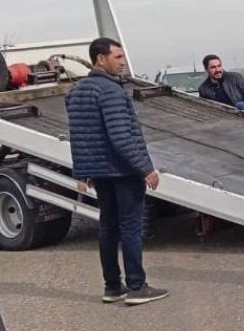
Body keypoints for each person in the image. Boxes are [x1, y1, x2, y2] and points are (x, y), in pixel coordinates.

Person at [65, 37, 168, 306]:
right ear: (101, 59)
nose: (122, 63)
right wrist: (145, 168)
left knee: (108, 227)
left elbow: (78, 135)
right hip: (122, 171)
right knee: (130, 227)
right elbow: (122, 136)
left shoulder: (76, 92)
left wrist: (83, 170)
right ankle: (136, 286)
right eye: (118, 57)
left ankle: (112, 287)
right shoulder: (110, 91)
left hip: (99, 172)